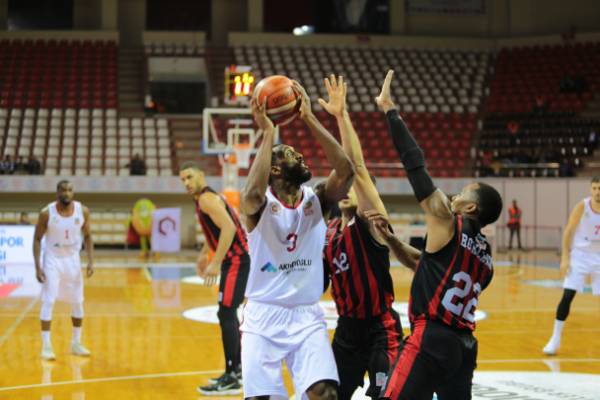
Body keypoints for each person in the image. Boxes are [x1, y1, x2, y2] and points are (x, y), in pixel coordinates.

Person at [375, 71, 503, 400]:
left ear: (471, 209)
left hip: (430, 338)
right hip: (463, 349)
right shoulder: (485, 260)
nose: (454, 195)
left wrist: (390, 110)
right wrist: (391, 241)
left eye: (462, 193)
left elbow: (414, 165)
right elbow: (426, 264)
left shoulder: (448, 220)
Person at [239, 80, 355, 400]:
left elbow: (346, 172)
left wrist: (309, 117)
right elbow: (249, 194)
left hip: (306, 315)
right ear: (276, 169)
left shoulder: (317, 198)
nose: (303, 157)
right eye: (293, 155)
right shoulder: (259, 206)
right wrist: (268, 133)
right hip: (264, 316)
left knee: (325, 393)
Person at [318, 75, 420, 399]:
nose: (348, 188)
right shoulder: (328, 233)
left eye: (355, 187)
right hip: (346, 331)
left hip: (380, 329)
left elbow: (357, 168)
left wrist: (340, 115)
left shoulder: (370, 223)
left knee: (384, 395)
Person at [179, 162, 250, 395]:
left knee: (227, 312)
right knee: (227, 313)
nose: (186, 183)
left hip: (237, 260)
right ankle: (237, 370)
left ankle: (232, 375)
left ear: (201, 174)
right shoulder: (206, 198)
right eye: (183, 180)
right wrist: (204, 253)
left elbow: (229, 228)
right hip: (237, 259)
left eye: (190, 177)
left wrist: (216, 262)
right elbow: (217, 230)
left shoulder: (206, 199)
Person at [33, 180, 95, 361]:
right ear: (57, 192)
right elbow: (37, 239)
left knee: (78, 302)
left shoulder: (82, 211)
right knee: (48, 301)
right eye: (63, 190)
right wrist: (38, 266)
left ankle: (76, 343)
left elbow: (89, 236)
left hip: (73, 260)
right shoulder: (46, 213)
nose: (66, 193)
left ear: (73, 193)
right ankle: (46, 345)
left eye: (69, 190)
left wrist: (91, 262)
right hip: (53, 258)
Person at [543, 176, 600, 355]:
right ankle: (555, 339)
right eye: (595, 188)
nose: (598, 192)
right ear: (590, 189)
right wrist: (565, 258)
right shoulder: (583, 206)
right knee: (567, 296)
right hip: (580, 256)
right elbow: (568, 231)